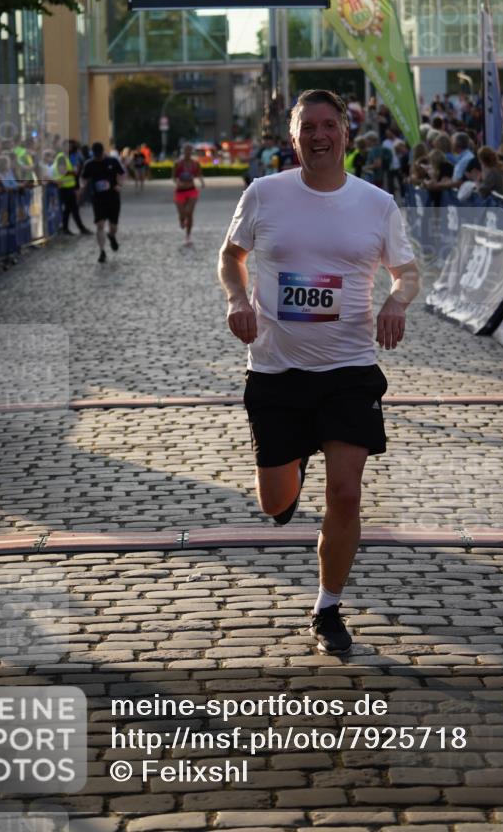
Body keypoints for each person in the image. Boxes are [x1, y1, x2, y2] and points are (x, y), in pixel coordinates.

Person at [218, 89, 419, 654]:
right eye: (309, 126)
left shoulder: (376, 204)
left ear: (346, 134)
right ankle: (293, 468)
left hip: (349, 368)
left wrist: (397, 302)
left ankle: (328, 606)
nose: (319, 135)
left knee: (347, 494)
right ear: (294, 135)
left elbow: (407, 272)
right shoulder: (264, 194)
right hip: (277, 369)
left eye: (329, 125)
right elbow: (231, 256)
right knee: (276, 504)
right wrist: (237, 298)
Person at [80, 141, 124, 263]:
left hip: (113, 197)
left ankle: (111, 235)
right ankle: (102, 252)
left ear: (103, 152)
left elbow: (122, 174)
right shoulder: (89, 164)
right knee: (99, 225)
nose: (98, 157)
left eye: (99, 155)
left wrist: (119, 185)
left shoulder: (112, 161)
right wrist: (82, 186)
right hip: (98, 198)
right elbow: (83, 178)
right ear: (93, 154)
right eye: (95, 155)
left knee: (113, 226)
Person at [53, 140, 91, 235]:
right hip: (64, 187)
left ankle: (68, 228)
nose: (69, 148)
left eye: (70, 147)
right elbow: (62, 171)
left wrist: (74, 171)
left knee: (70, 209)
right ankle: (77, 228)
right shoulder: (61, 157)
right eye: (67, 146)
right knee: (71, 209)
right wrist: (73, 172)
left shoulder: (66, 157)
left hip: (69, 186)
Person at [172, 143, 204, 245]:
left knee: (189, 213)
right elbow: (173, 177)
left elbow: (199, 174)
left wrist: (202, 182)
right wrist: (178, 182)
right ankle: (181, 219)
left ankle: (188, 236)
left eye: (190, 151)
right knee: (182, 214)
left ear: (192, 152)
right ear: (183, 151)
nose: (188, 153)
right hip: (180, 192)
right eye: (186, 150)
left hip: (191, 190)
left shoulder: (195, 163)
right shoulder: (178, 164)